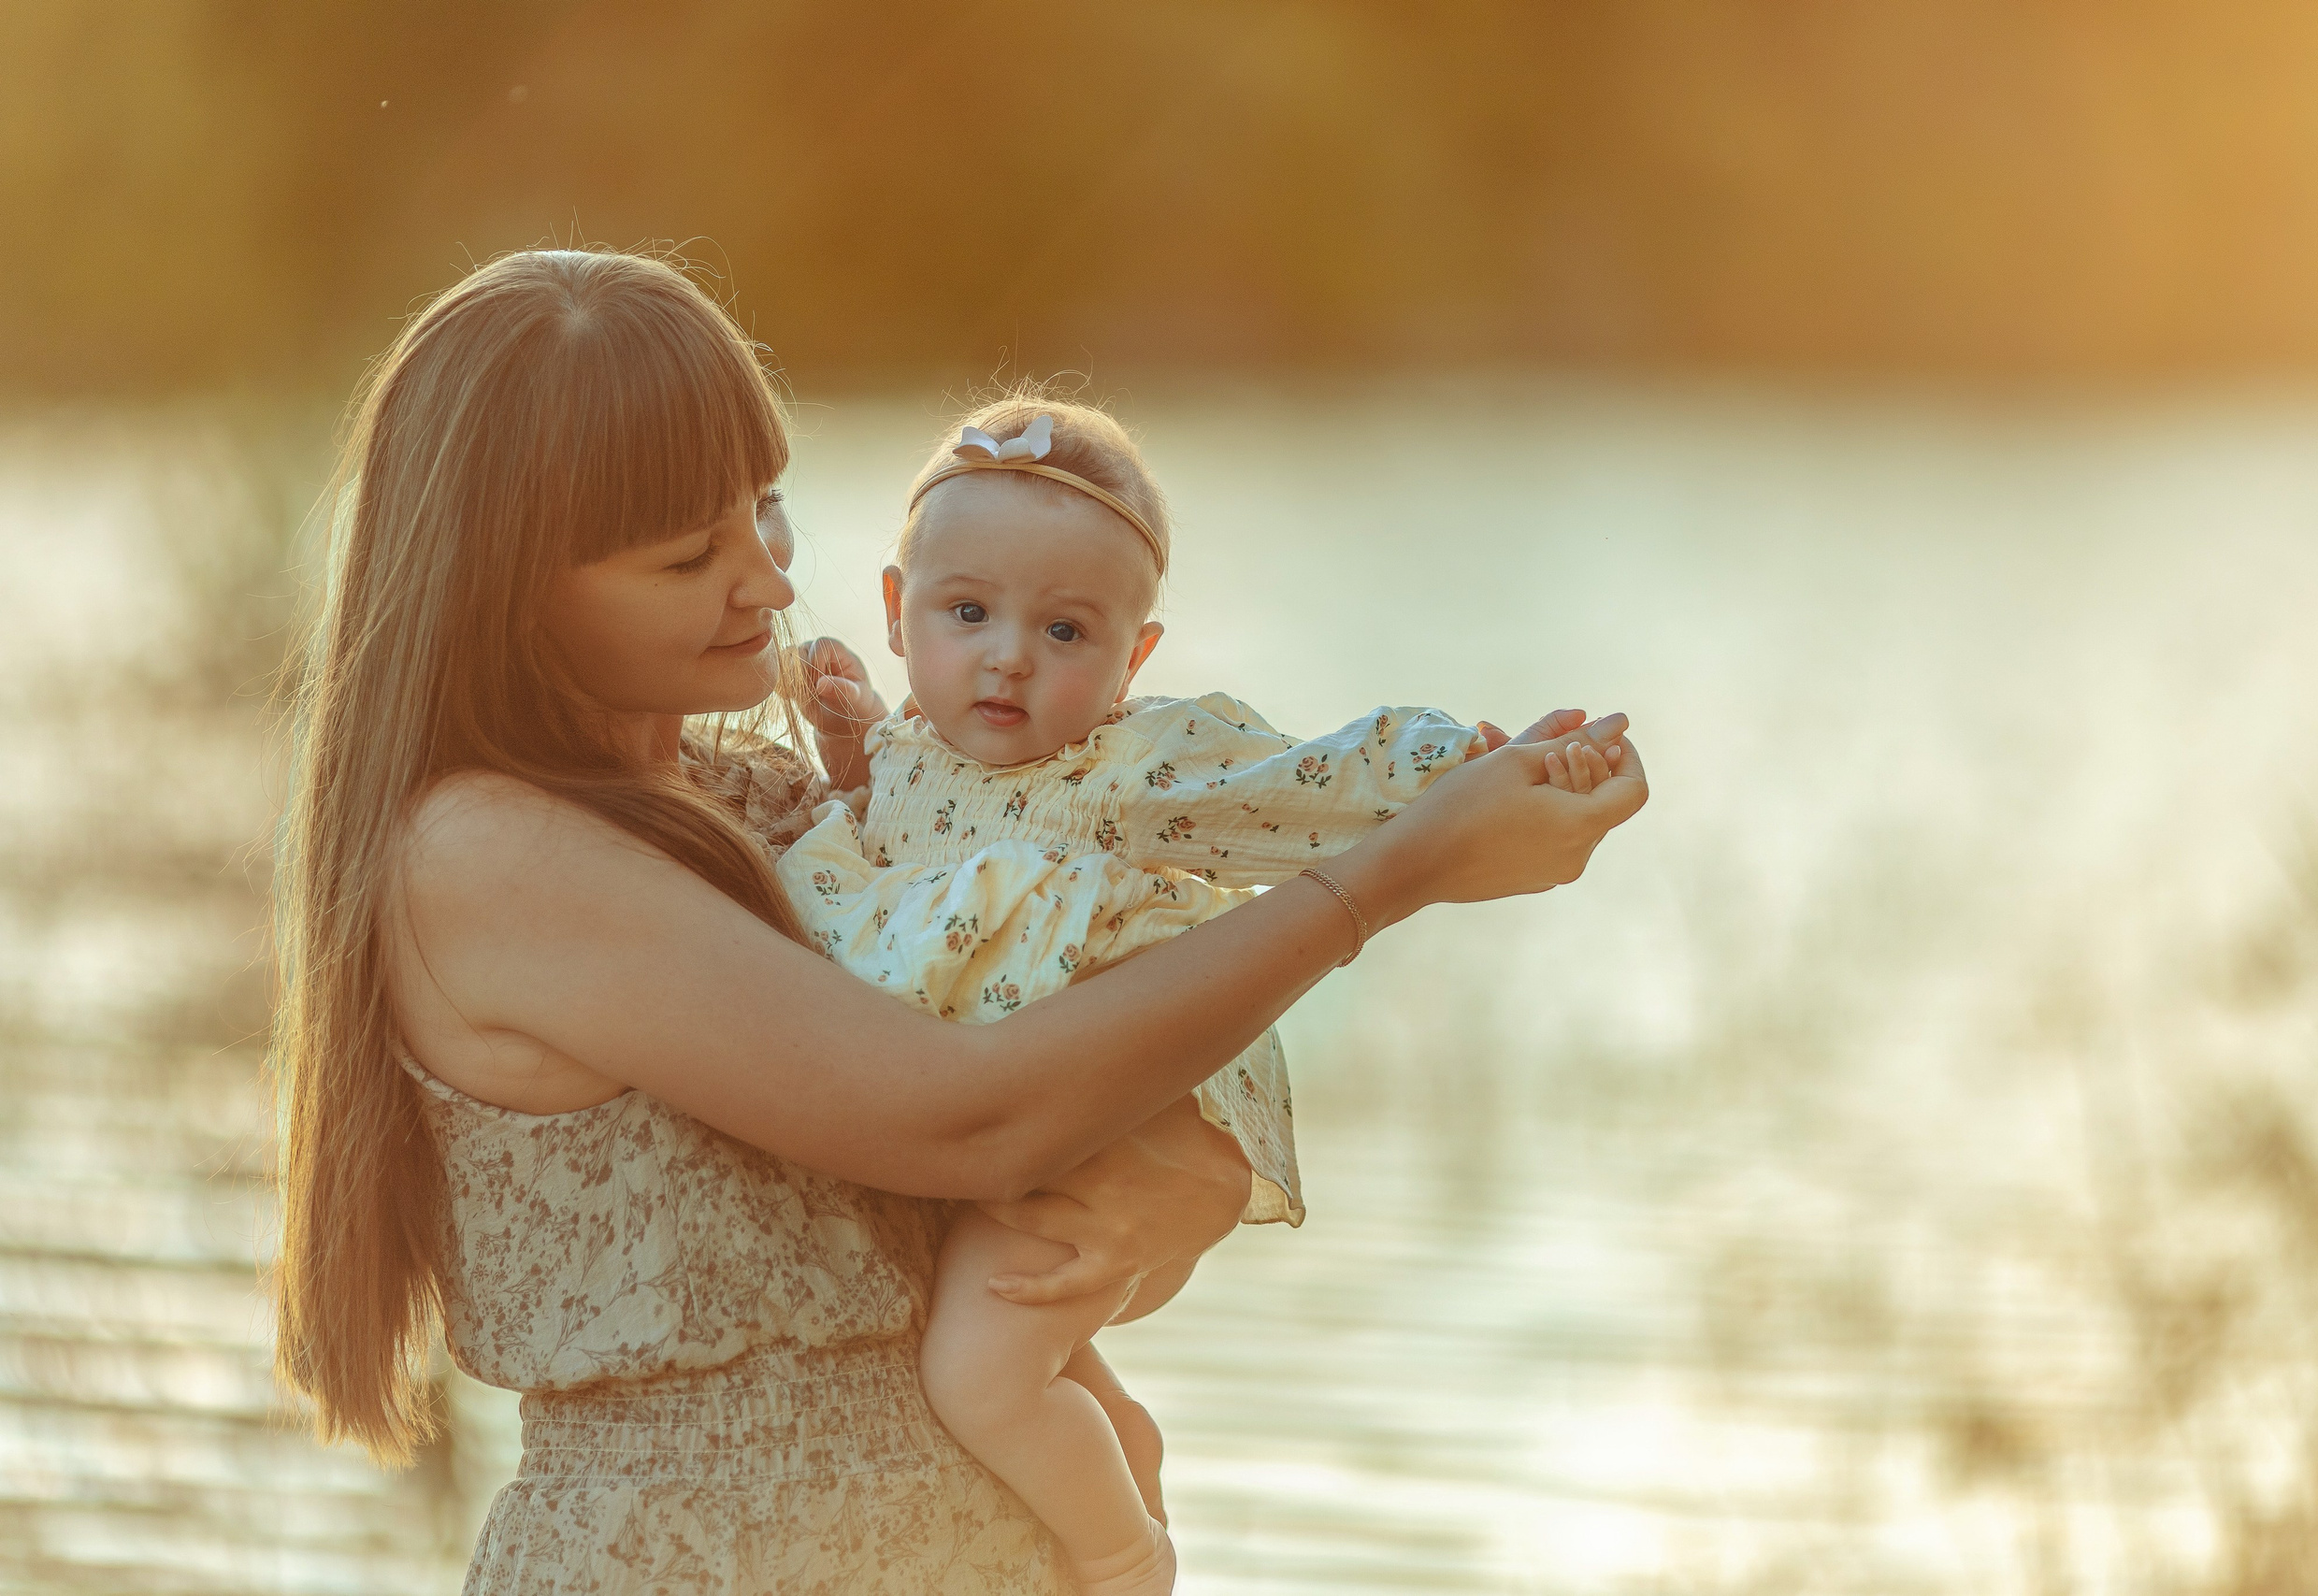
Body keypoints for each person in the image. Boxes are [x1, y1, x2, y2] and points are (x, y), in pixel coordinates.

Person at [269, 247, 1648, 1593]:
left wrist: (1433, 786)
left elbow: (969, 1133)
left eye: (768, 505)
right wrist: (1392, 876)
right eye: (691, 553)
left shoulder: (749, 792)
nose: (763, 574)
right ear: (512, 592)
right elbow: (970, 1115)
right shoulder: (488, 857)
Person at [780, 395, 1624, 1593]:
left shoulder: (1131, 767)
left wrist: (1472, 770)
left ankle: (1123, 1555)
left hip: (1117, 1128)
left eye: (1065, 633)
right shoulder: (913, 744)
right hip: (1013, 1120)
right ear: (894, 610)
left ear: (1134, 659)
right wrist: (854, 740)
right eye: (966, 614)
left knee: (975, 1374)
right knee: (1010, 1336)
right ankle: (1117, 1438)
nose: (1009, 655)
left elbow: (1305, 782)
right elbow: (906, 845)